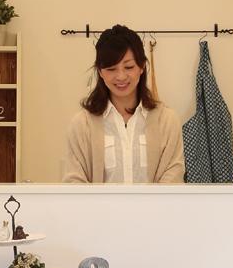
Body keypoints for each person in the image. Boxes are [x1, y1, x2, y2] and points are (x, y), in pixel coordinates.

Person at [63, 24, 185, 184]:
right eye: (111, 69)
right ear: (100, 72)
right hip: (98, 210)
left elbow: (173, 178)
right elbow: (74, 181)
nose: (120, 76)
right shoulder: (82, 124)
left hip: (155, 210)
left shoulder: (167, 120)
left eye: (129, 67)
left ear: (142, 67)